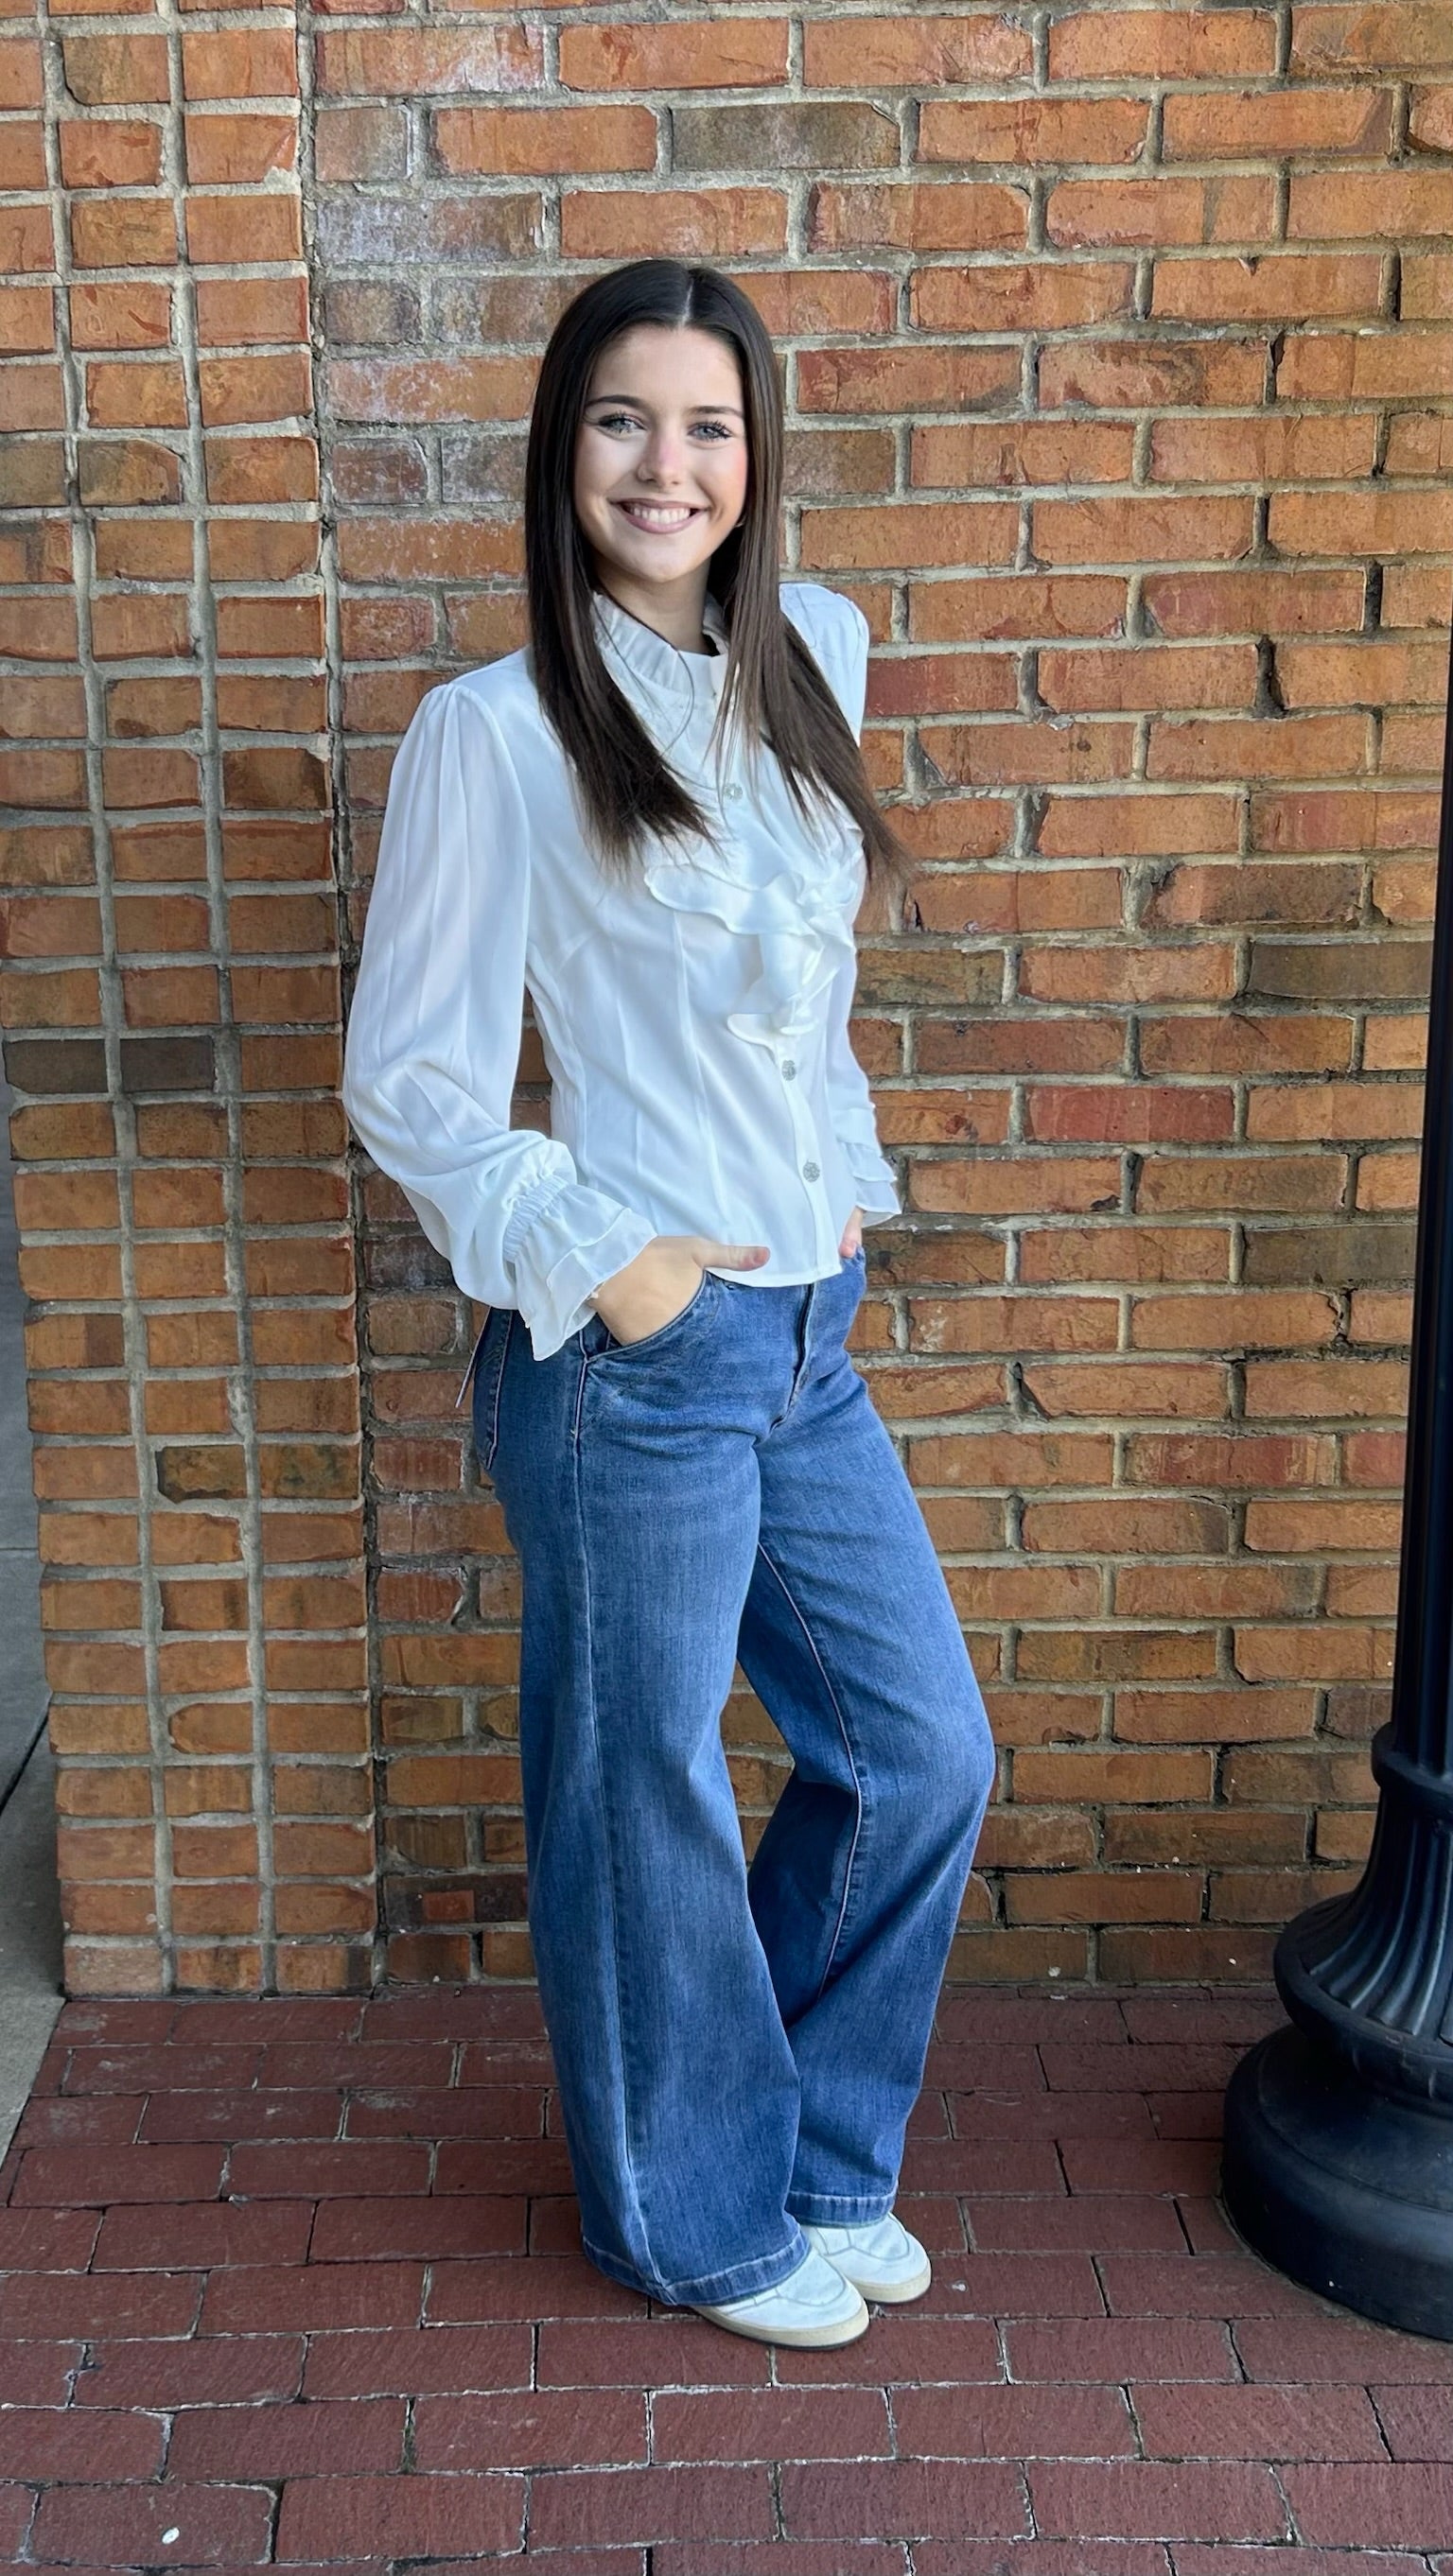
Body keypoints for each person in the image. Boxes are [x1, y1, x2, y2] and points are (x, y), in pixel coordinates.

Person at [341, 258, 995, 2351]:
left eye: (707, 424)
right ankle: (691, 2219)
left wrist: (832, 1207)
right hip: (640, 1352)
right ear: (565, 447)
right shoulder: (495, 733)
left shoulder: (817, 653)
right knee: (646, 1800)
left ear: (756, 453)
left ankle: (800, 2153)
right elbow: (413, 1082)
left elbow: (802, 1014)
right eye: (625, 419)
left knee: (918, 1758)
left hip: (807, 1334)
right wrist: (613, 1255)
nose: (667, 464)